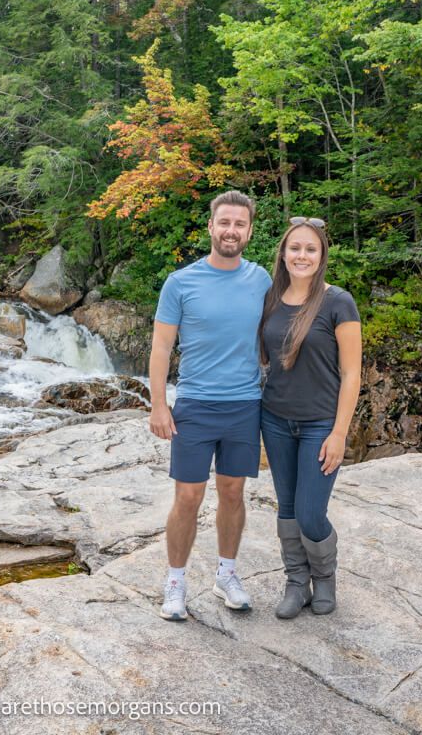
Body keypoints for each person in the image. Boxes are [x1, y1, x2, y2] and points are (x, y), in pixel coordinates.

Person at [148, 191, 273, 621]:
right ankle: (176, 582)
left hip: (245, 405)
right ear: (211, 226)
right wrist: (159, 405)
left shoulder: (261, 280)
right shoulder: (181, 282)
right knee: (188, 496)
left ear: (250, 231)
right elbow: (162, 348)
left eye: (239, 224)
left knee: (233, 492)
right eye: (225, 222)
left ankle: (226, 574)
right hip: (196, 405)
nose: (231, 231)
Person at [259, 217, 362, 618]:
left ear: (321, 256)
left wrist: (339, 433)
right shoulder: (270, 298)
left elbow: (353, 373)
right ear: (283, 253)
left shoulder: (339, 302)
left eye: (310, 249)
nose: (302, 255)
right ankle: (296, 583)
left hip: (320, 423)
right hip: (275, 419)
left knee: (310, 513)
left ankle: (325, 578)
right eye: (295, 248)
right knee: (286, 508)